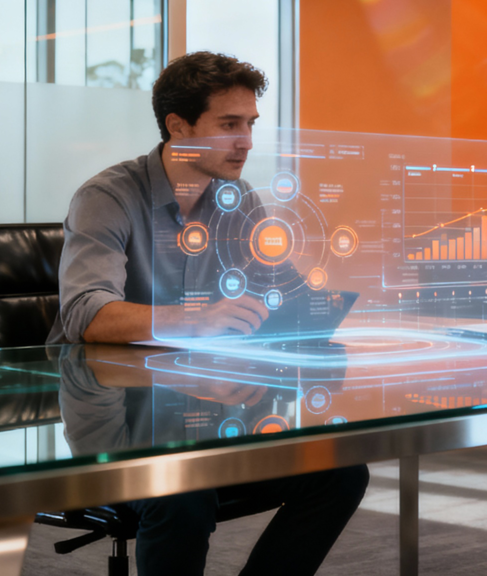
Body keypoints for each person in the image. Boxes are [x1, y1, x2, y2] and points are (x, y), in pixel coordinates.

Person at [50, 51, 368, 576]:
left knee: (340, 471)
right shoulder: (107, 197)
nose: (245, 140)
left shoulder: (237, 199)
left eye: (250, 124)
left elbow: (278, 285)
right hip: (117, 426)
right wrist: (193, 320)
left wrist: (323, 303)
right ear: (179, 126)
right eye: (228, 124)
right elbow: (86, 313)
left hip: (210, 417)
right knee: (182, 493)